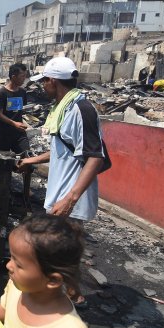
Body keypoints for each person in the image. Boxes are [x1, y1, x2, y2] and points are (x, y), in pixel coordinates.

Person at [18, 57, 105, 306]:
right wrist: (31, 160)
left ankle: (74, 296)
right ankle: (68, 293)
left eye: (44, 81)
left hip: (70, 196)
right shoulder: (63, 108)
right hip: (61, 193)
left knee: (63, 250)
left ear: (53, 81)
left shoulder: (81, 109)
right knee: (61, 249)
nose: (42, 86)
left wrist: (71, 198)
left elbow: (94, 157)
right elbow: (62, 150)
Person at [0, 63, 33, 200]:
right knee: (3, 163)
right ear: (13, 76)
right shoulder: (1, 93)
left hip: (19, 134)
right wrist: (13, 123)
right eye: (22, 76)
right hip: (4, 133)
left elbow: (19, 112)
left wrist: (21, 123)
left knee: (27, 159)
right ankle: (3, 188)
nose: (24, 78)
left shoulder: (22, 92)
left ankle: (26, 189)